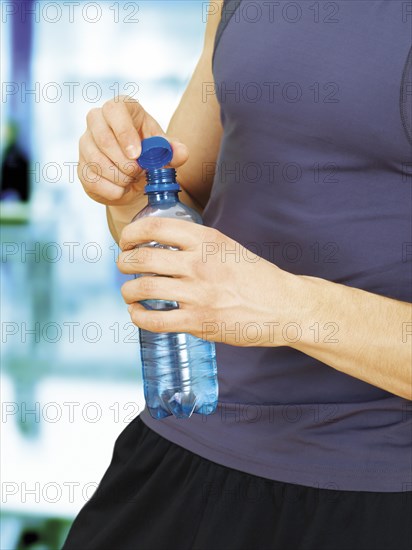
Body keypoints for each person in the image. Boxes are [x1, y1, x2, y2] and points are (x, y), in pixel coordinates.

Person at [62, 1, 412, 549]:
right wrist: (131, 191)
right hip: (182, 443)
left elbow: (260, 299)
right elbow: (176, 210)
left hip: (375, 493)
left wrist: (289, 309)